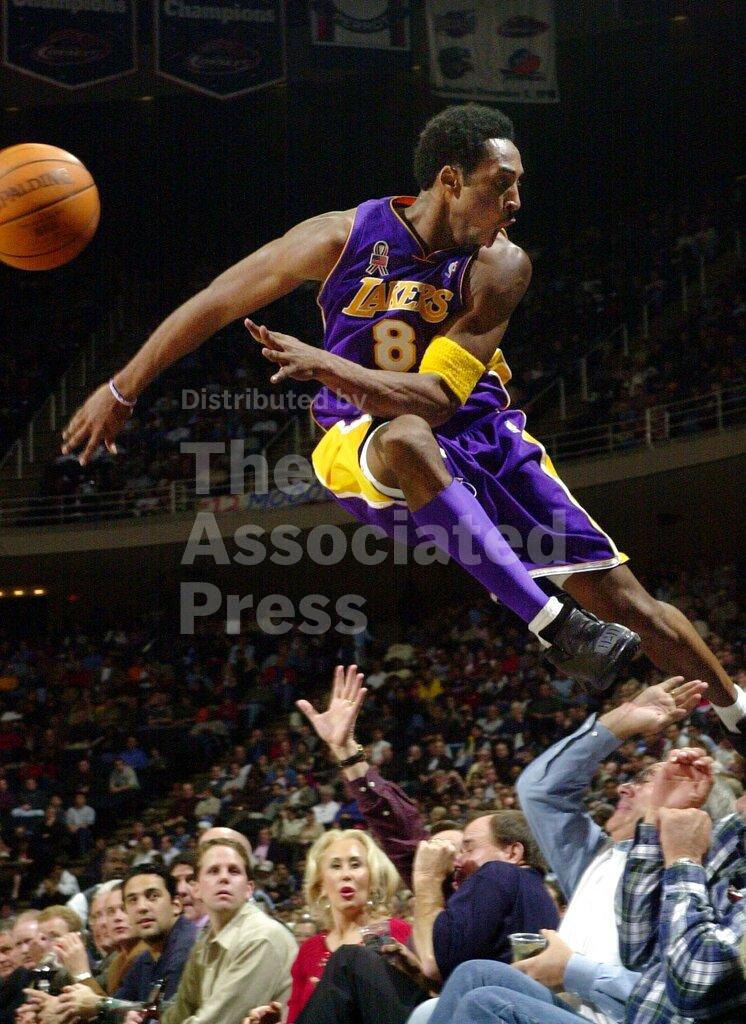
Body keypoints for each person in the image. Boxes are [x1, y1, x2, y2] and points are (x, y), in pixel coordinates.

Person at [60, 105, 741, 721]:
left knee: (630, 604)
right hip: (362, 438)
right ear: (450, 180)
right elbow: (214, 302)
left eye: (519, 185)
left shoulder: (501, 267)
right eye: (500, 184)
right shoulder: (340, 238)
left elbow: (440, 398)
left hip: (481, 435)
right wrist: (121, 390)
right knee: (408, 437)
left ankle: (739, 714)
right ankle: (554, 627)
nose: (515, 202)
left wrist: (329, 366)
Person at [245, 828, 414, 1024]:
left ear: (373, 878)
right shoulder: (309, 951)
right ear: (322, 884)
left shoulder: (395, 932)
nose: (346, 874)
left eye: (355, 864)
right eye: (335, 866)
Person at [619, 784, 746, 1022]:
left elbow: (692, 989)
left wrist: (683, 858)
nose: (739, 804)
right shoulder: (737, 829)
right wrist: (657, 819)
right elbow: (637, 949)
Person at [158, 838, 296, 1024]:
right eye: (213, 871)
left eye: (234, 871)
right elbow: (179, 1012)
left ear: (249, 889)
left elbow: (217, 1021)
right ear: (197, 888)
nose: (224, 878)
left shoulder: (261, 936)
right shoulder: (204, 942)